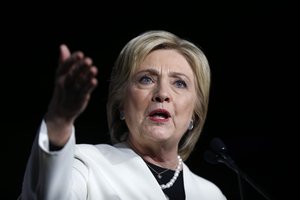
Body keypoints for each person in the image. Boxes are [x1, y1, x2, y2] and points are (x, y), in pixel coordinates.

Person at [18, 30, 227, 200]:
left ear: (195, 113)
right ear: (121, 105)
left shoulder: (211, 194)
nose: (162, 93)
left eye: (179, 83)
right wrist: (60, 121)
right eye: (146, 79)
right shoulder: (86, 164)